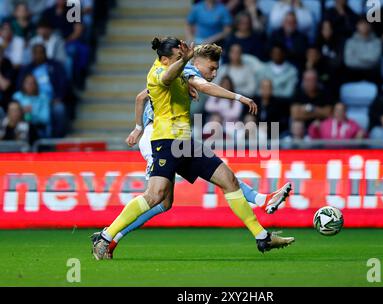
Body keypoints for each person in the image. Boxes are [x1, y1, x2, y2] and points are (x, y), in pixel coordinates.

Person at [91, 39, 295, 260]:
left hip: (183, 140)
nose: (215, 72)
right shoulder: (161, 71)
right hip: (163, 139)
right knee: (156, 195)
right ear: (167, 59)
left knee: (227, 179)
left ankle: (261, 235)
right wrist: (238, 96)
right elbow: (175, 81)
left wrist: (186, 83)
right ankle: (106, 236)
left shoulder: (182, 71)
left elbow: (167, 89)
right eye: (212, 67)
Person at [343, 17, 382, 85]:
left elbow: (375, 60)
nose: (364, 26)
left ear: (370, 26)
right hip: (354, 72)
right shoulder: (350, 42)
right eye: (362, 24)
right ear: (357, 26)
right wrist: (368, 58)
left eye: (366, 24)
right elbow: (348, 61)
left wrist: (358, 57)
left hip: (371, 72)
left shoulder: (377, 41)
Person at [13, 74, 51, 139]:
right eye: (27, 83)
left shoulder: (43, 98)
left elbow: (45, 118)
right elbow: (10, 114)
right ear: (23, 84)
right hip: (17, 125)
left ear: (36, 85)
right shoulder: (17, 96)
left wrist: (32, 113)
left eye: (32, 83)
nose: (29, 85)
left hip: (36, 128)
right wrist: (21, 111)